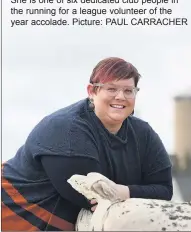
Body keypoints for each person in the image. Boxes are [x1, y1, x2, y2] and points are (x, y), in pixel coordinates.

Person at [1, 57, 173, 231]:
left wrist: (122, 191)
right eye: (111, 89)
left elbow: (165, 191)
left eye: (128, 91)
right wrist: (134, 192)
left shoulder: (144, 134)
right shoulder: (67, 129)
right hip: (13, 214)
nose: (120, 97)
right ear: (92, 91)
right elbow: (94, 198)